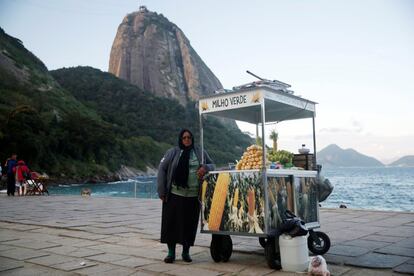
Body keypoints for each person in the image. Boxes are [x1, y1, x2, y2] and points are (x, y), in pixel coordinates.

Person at [157, 129, 215, 263]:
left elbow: (213, 164)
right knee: (171, 225)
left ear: (192, 139)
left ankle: (186, 252)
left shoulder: (200, 152)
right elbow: (162, 169)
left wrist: (205, 167)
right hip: (174, 194)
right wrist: (161, 191)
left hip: (193, 196)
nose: (187, 140)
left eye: (189, 137)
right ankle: (171, 253)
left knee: (189, 225)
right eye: (184, 138)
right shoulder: (173, 152)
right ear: (180, 139)